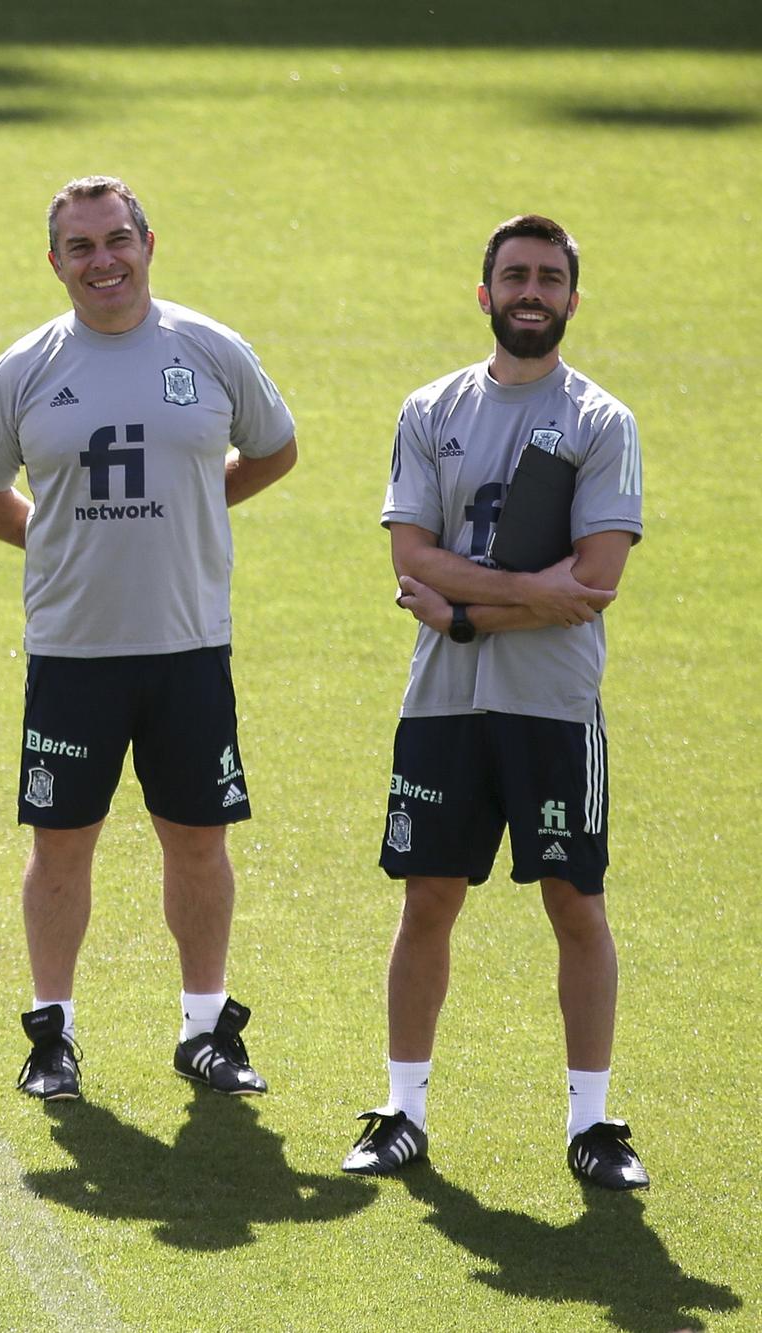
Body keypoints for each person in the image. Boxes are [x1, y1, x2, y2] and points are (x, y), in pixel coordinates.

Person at [0, 176, 298, 1104]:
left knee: (198, 841)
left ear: (150, 242)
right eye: (81, 247)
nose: (102, 260)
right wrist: (51, 533)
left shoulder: (210, 348)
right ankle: (52, 1034)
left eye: (117, 240)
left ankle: (205, 1027)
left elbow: (275, 447)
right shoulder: (24, 368)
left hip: (189, 645)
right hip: (73, 651)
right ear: (55, 261)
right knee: (61, 843)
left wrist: (195, 505)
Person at [343, 215, 648, 1189]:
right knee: (425, 897)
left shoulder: (601, 421)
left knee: (574, 901)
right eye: (512, 275)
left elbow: (592, 579)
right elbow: (408, 558)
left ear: (569, 298)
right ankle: (400, 1109)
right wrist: (528, 595)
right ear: (483, 294)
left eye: (547, 278)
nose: (529, 291)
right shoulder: (429, 409)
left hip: (551, 707)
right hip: (440, 706)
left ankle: (592, 1125)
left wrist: (464, 613)